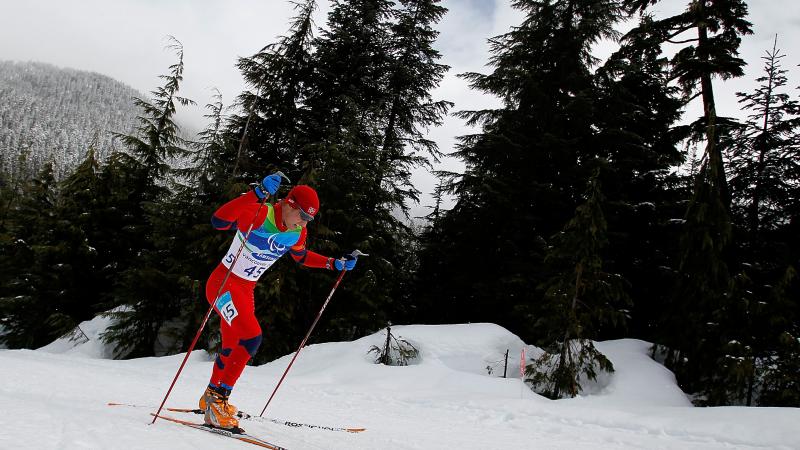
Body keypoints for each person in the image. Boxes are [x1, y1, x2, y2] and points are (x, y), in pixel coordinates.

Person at [199, 173, 359, 430]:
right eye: (302, 216)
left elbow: (302, 257)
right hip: (223, 284)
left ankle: (210, 396)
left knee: (231, 345)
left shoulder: (298, 232)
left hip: (245, 289)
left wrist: (334, 263)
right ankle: (218, 402)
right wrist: (256, 194)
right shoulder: (261, 214)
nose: (303, 223)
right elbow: (218, 221)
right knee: (251, 338)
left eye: (309, 220)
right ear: (288, 203)